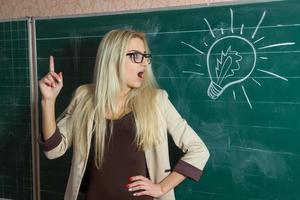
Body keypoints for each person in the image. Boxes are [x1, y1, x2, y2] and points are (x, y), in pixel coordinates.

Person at [38, 29, 210, 200]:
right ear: (113, 58)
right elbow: (53, 150)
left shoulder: (157, 100)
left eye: (145, 57)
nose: (144, 63)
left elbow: (199, 150)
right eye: (136, 56)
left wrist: (161, 188)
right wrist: (48, 101)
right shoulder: (84, 97)